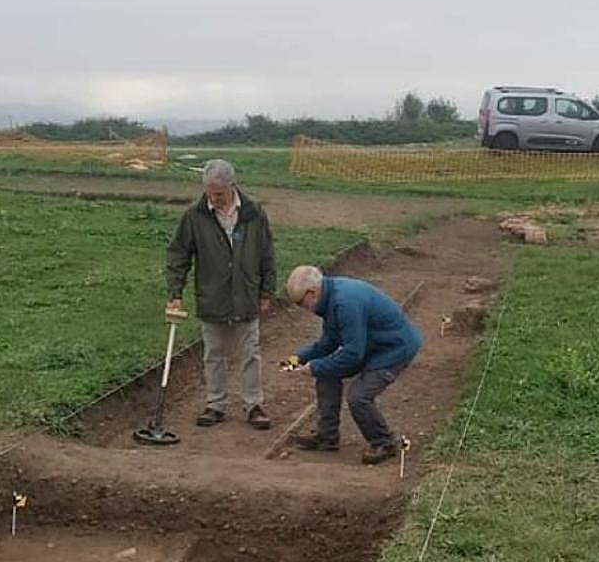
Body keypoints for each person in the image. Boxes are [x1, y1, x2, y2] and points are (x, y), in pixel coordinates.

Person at [166, 159, 275, 429]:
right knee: (213, 352)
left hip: (246, 294)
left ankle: (254, 405)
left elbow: (267, 254)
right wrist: (175, 292)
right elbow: (178, 254)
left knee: (250, 352)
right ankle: (215, 405)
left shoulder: (254, 213)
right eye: (209, 193)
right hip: (211, 296)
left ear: (232, 186)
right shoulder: (194, 216)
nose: (213, 198)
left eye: (219, 194)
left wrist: (267, 291)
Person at [283, 265, 423, 465]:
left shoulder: (344, 303)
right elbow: (329, 342)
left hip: (393, 348)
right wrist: (298, 357)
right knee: (327, 374)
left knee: (359, 396)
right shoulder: (329, 299)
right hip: (371, 344)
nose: (300, 307)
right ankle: (327, 436)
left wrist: (314, 367)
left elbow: (352, 354)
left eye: (299, 302)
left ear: (312, 293)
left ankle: (383, 442)